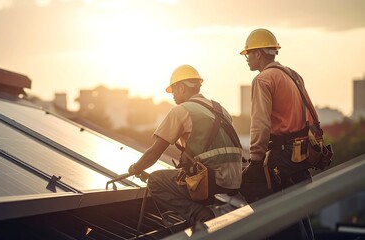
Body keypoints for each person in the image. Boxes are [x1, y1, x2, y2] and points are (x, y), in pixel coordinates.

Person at [128, 64, 243, 227]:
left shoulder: (181, 110)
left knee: (155, 180)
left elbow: (154, 153)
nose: (173, 96)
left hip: (211, 180)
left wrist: (135, 169)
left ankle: (200, 215)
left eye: (173, 90)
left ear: (181, 88)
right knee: (183, 175)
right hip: (235, 178)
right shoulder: (220, 109)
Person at [239, 28, 316, 239]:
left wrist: (255, 160)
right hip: (301, 153)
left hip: (282, 156)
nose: (246, 58)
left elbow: (260, 123)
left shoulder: (263, 79)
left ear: (258, 54)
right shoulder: (292, 74)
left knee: (275, 215)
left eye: (248, 54)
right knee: (298, 212)